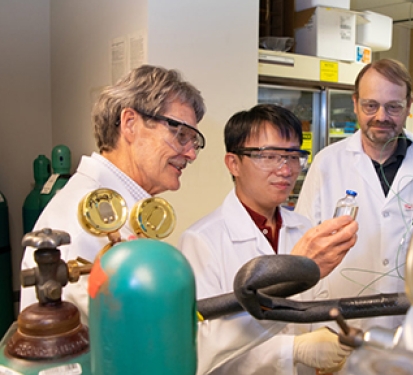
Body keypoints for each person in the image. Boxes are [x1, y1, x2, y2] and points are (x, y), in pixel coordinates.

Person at [18, 66, 352, 375]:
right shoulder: (85, 214)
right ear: (130, 124)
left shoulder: (124, 210)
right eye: (180, 135)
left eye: (194, 141)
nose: (191, 153)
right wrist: (291, 340)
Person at [179, 104, 358, 375]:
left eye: (294, 156)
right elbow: (203, 349)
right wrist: (293, 350)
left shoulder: (303, 228)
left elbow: (309, 313)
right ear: (234, 163)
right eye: (270, 156)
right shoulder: (201, 241)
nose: (285, 170)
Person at [295, 59, 413, 333]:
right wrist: (309, 333)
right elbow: (303, 253)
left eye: (393, 106)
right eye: (371, 105)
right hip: (340, 328)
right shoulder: (327, 164)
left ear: (409, 106)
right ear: (356, 103)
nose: (381, 116)